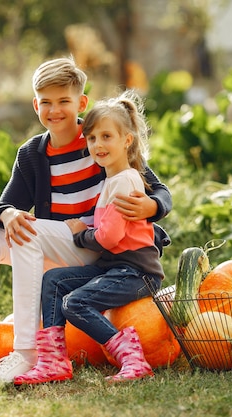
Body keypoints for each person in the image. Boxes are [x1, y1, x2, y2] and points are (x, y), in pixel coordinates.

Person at [0, 57, 172, 384]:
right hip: (60, 246)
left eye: (64, 101)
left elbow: (159, 190)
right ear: (36, 105)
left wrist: (151, 207)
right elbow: (3, 206)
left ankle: (27, 353)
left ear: (81, 102)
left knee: (28, 233)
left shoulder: (100, 138)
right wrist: (9, 213)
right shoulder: (32, 154)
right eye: (46, 102)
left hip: (101, 249)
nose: (55, 110)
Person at [14, 90, 163, 385]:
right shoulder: (113, 179)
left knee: (74, 303)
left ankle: (132, 358)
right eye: (92, 138)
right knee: (54, 280)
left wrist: (81, 235)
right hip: (114, 268)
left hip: (137, 272)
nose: (98, 144)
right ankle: (53, 360)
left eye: (107, 137)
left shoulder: (126, 181)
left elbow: (108, 237)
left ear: (127, 140)